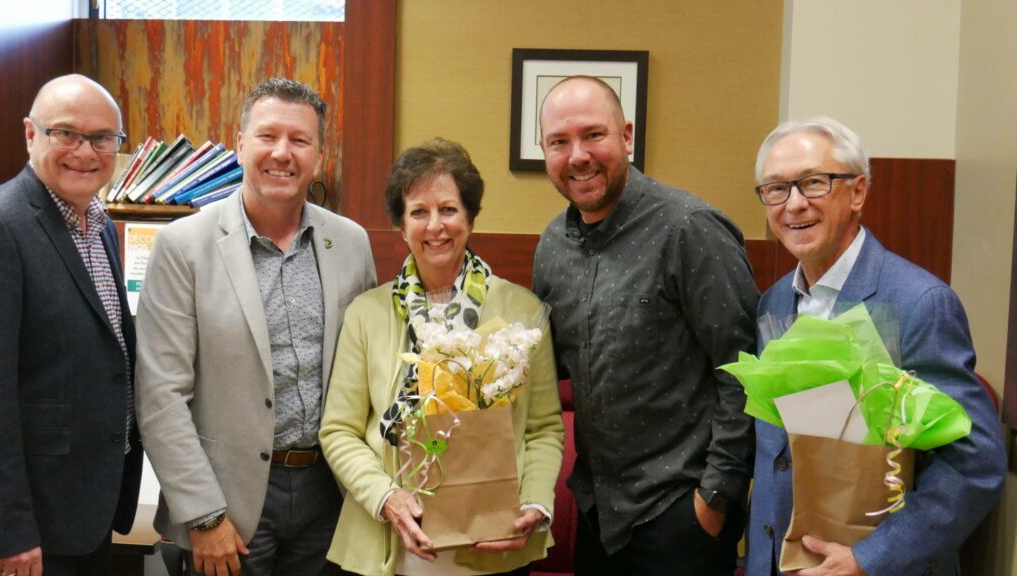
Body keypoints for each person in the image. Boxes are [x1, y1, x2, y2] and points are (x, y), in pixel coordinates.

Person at [135, 78, 376, 576]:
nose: (282, 153)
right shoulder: (184, 247)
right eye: (267, 136)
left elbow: (369, 374)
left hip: (328, 496)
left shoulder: (351, 244)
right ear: (240, 143)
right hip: (228, 501)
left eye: (300, 140)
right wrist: (203, 515)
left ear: (319, 154)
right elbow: (160, 395)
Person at [747, 116, 1006, 576]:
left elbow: (974, 464)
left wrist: (871, 560)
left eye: (813, 183)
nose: (794, 205)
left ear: (858, 191)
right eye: (776, 189)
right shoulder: (774, 301)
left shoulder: (920, 303)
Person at [531, 76, 759, 576]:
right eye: (559, 142)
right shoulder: (552, 247)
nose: (577, 156)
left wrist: (714, 502)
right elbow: (542, 375)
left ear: (627, 137)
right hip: (597, 513)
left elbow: (744, 370)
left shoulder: (690, 229)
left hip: (679, 516)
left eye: (594, 135)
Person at [319, 138, 565, 576]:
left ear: (470, 218)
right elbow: (339, 430)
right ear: (401, 225)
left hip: (495, 543)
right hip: (390, 546)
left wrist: (535, 502)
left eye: (449, 210)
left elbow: (544, 428)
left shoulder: (523, 312)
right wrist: (386, 499)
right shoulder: (366, 314)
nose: (435, 226)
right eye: (419, 212)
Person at [0, 74, 141, 575]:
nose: (86, 151)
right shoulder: (1, 226)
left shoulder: (98, 224)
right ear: (31, 135)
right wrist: (7, 530)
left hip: (91, 502)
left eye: (103, 137)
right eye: (66, 134)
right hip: (33, 526)